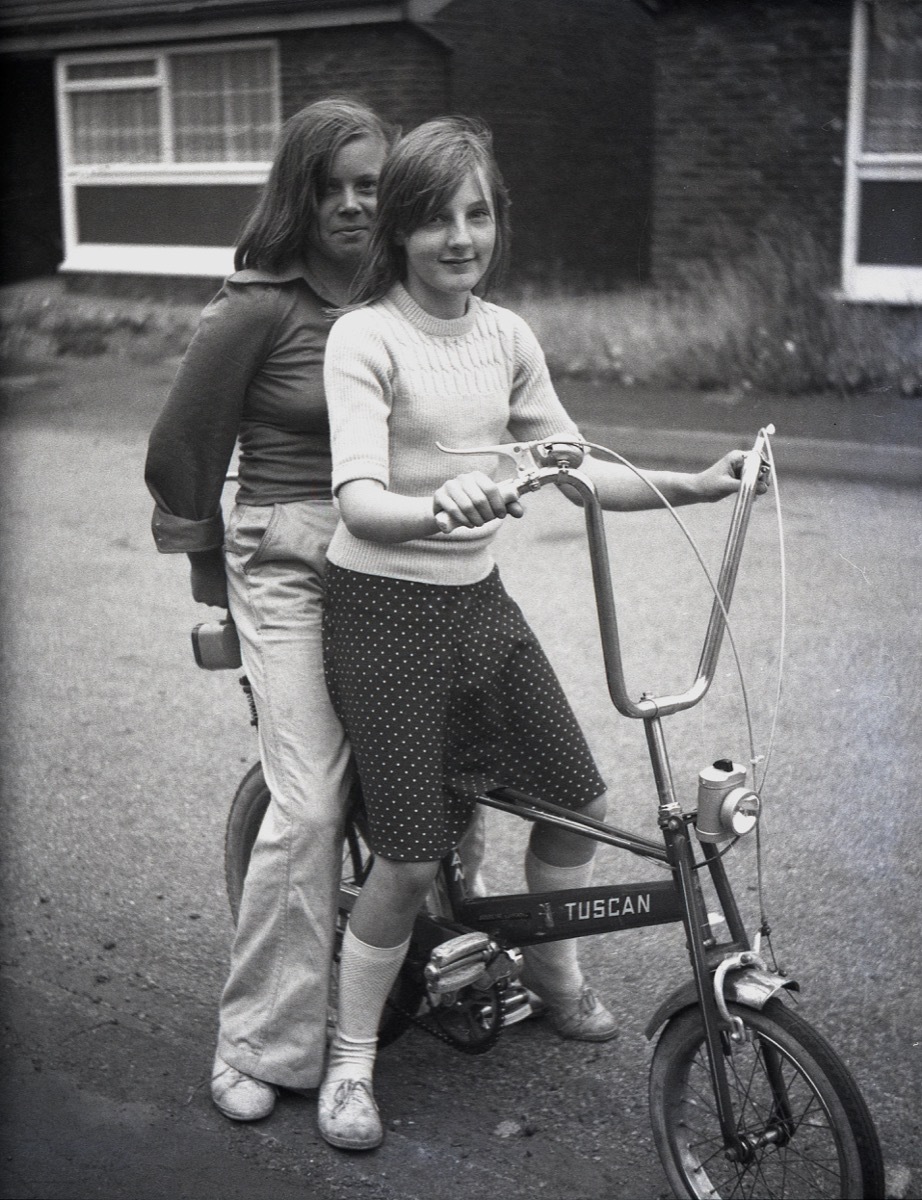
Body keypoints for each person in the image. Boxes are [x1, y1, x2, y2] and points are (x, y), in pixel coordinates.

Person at [317, 116, 759, 1152]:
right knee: (413, 858)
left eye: (477, 213)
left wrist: (695, 483)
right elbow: (358, 500)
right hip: (382, 612)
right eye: (433, 218)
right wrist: (444, 506)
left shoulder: (506, 335)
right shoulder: (365, 336)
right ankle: (346, 1059)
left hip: (478, 608)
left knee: (577, 801)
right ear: (399, 229)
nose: (459, 237)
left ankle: (556, 970)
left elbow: (573, 462)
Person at [144, 98, 398, 1122]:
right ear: (299, 193)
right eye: (329, 186)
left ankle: (436, 959)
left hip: (390, 551)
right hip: (284, 558)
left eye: (368, 185)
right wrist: (210, 569)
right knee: (312, 803)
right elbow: (181, 453)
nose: (349, 205)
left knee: (446, 763)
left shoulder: (404, 290)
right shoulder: (257, 307)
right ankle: (260, 1039)